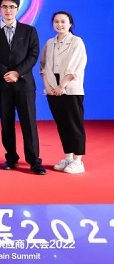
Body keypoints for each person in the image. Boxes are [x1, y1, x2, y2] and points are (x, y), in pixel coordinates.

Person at [0, 0, 46, 175]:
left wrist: (17, 72)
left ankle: (34, 161)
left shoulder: (29, 31)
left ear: (17, 9)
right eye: (4, 7)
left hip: (24, 84)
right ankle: (11, 158)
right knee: (6, 123)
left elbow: (33, 55)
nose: (8, 10)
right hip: (2, 84)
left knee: (29, 123)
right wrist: (4, 73)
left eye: (12, 7)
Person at [40, 11, 87, 174]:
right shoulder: (50, 43)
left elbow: (76, 66)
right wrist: (48, 87)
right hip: (52, 90)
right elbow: (43, 66)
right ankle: (68, 157)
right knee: (62, 125)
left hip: (71, 88)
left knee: (74, 124)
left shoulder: (76, 41)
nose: (59, 25)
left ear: (70, 24)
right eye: (56, 21)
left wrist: (62, 86)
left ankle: (78, 161)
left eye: (63, 22)